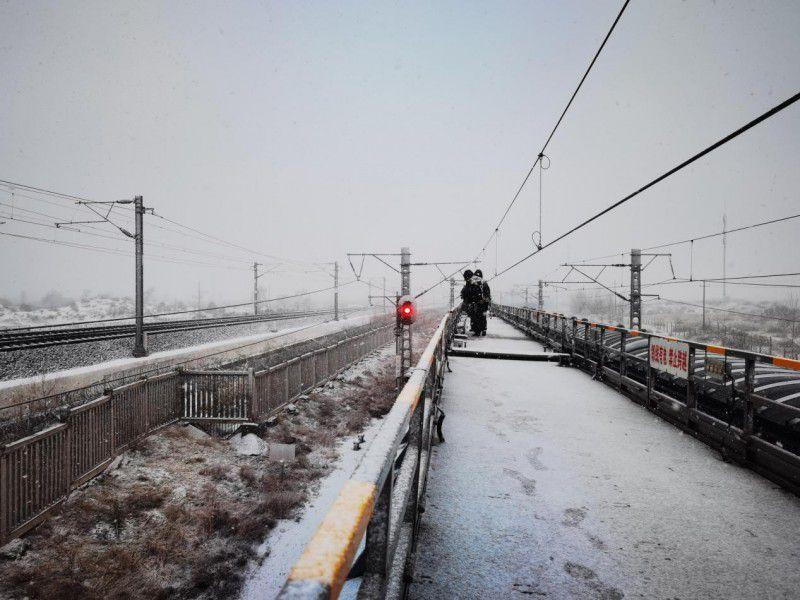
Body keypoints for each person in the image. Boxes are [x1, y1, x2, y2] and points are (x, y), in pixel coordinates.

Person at [460, 269, 481, 335]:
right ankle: (476, 330)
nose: (465, 279)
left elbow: (471, 291)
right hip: (474, 302)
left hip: (475, 302)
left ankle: (477, 331)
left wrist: (467, 297)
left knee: (475, 317)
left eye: (465, 277)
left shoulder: (474, 282)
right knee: (475, 317)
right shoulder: (472, 281)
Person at [471, 269, 491, 336]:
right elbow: (488, 295)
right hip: (480, 304)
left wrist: (483, 300)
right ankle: (481, 330)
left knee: (479, 317)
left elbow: (487, 295)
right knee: (480, 317)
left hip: (481, 304)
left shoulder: (483, 284)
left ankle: (480, 331)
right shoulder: (483, 284)